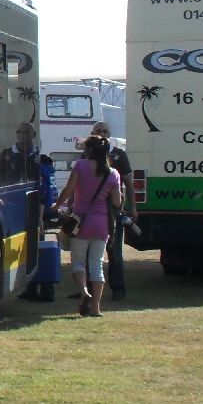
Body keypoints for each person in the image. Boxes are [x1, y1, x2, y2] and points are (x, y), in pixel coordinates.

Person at [55, 132, 122, 317]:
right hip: (101, 224)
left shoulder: (81, 166)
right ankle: (96, 308)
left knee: (78, 262)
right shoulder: (113, 173)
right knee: (97, 265)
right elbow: (117, 202)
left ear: (89, 150)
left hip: (79, 223)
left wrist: (57, 205)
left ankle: (84, 291)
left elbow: (68, 190)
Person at [91, 121, 138, 300]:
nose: (102, 134)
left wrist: (132, 207)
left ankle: (118, 289)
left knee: (115, 252)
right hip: (91, 209)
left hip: (113, 209)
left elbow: (129, 184)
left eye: (105, 131)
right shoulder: (86, 155)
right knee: (89, 250)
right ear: (92, 133)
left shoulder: (119, 155)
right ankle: (88, 288)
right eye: (98, 131)